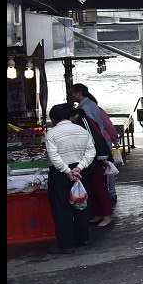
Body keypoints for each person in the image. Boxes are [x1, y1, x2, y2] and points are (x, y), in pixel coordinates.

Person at [44, 103, 95, 255]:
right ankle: (83, 237)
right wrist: (79, 167)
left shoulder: (51, 134)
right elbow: (91, 152)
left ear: (53, 119)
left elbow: (54, 157)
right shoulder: (82, 131)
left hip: (61, 174)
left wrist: (67, 171)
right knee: (81, 203)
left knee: (61, 208)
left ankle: (66, 243)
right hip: (80, 172)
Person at [71, 84, 120, 202]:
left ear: (79, 93)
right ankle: (109, 193)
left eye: (72, 93)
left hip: (97, 143)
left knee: (102, 171)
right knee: (106, 169)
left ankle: (108, 195)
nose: (71, 95)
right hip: (100, 142)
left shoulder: (86, 108)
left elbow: (93, 128)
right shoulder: (91, 105)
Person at [69, 108, 115, 228]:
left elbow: (95, 140)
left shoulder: (84, 121)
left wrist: (103, 158)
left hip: (96, 160)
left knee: (100, 189)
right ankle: (98, 214)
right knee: (93, 189)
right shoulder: (80, 122)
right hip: (90, 160)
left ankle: (107, 215)